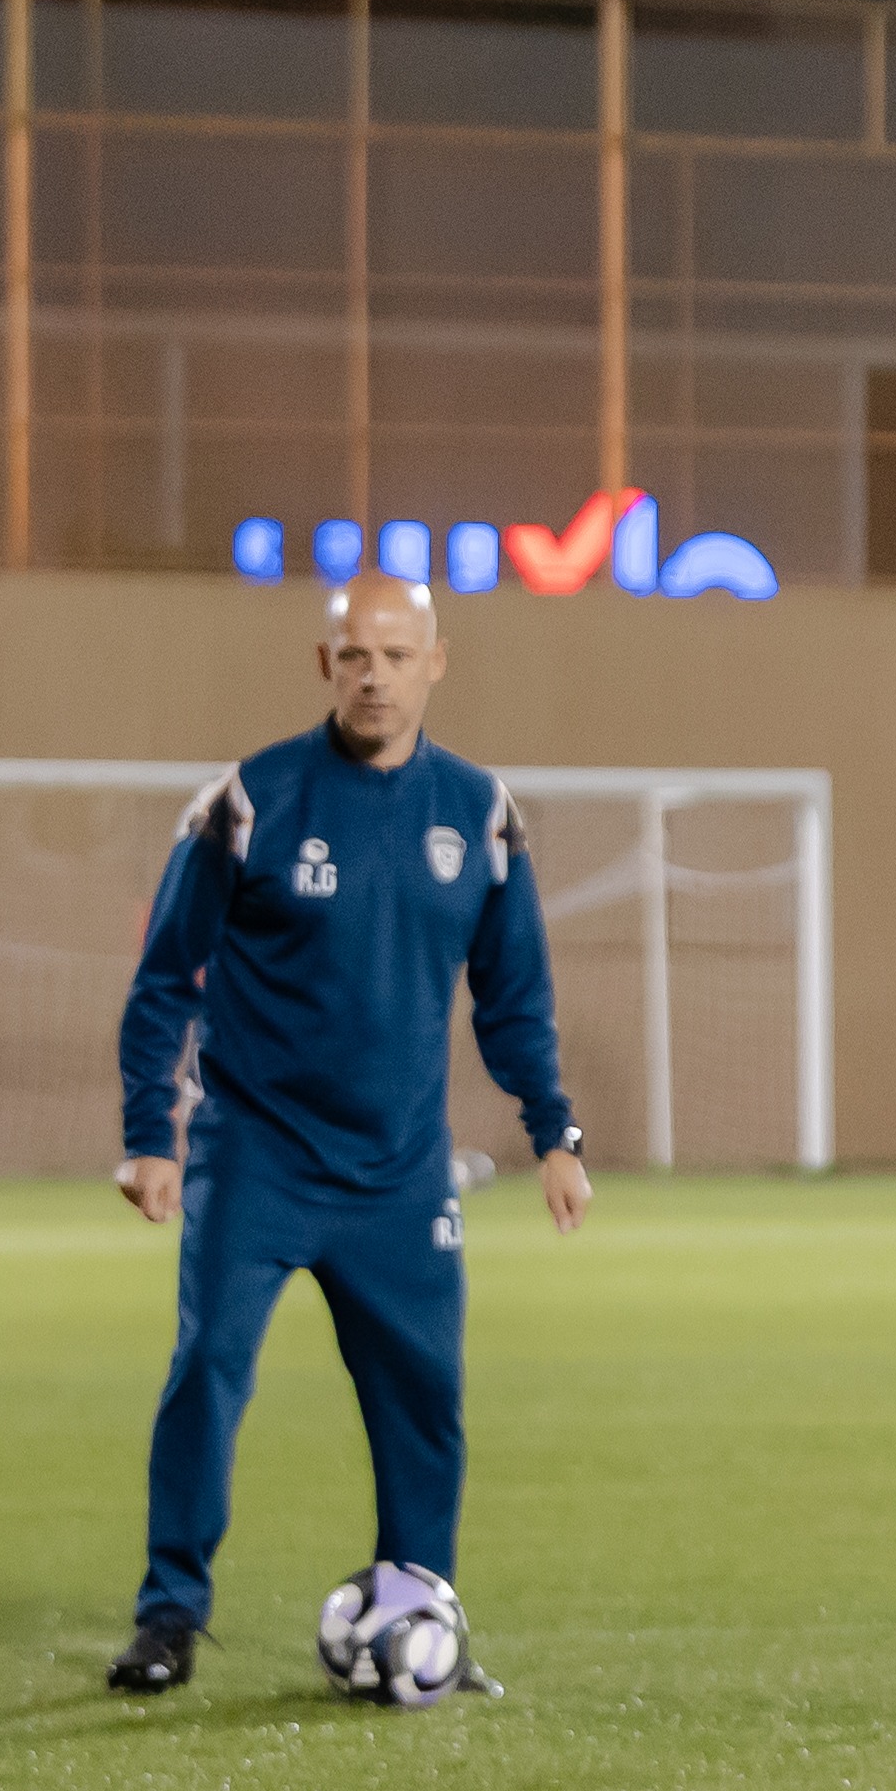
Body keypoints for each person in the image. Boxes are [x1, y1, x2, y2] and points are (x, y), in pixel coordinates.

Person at [104, 575, 588, 1696]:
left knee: (424, 1398)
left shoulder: (478, 812)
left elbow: (512, 994)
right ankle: (168, 1613)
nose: (376, 674)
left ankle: (423, 1613)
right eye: (355, 655)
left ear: (436, 662)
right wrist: (151, 1133)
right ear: (325, 665)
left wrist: (552, 1130)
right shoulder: (251, 801)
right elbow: (163, 980)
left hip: (399, 1174)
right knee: (208, 1371)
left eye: (397, 654)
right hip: (256, 1159)